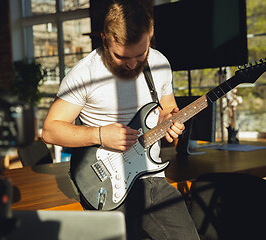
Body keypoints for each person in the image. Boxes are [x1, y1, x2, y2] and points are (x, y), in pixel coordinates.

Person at [42, 1, 200, 239]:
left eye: (141, 54)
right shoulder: (84, 75)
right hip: (105, 182)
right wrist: (100, 134)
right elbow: (50, 131)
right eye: (122, 56)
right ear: (105, 41)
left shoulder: (159, 64)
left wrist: (171, 120)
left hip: (153, 179)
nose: (133, 64)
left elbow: (168, 108)